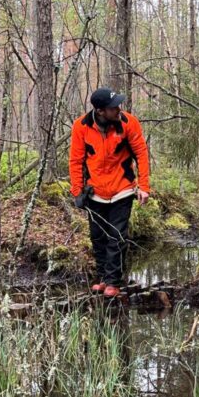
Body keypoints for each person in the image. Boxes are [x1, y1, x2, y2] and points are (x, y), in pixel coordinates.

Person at [69, 87, 151, 297]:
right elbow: (76, 160)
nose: (119, 109)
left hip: (122, 188)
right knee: (98, 237)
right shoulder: (81, 127)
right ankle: (103, 278)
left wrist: (144, 186)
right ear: (100, 111)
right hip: (95, 191)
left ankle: (114, 281)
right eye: (113, 107)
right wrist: (77, 191)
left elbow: (141, 154)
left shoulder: (128, 122)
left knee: (116, 236)